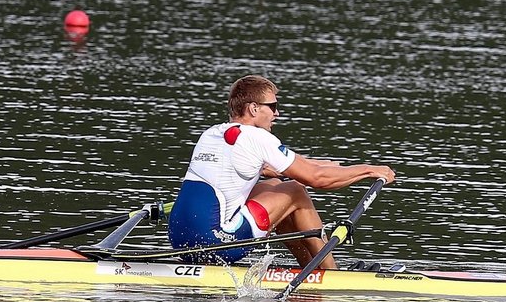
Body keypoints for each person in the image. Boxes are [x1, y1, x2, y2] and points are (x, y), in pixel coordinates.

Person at [168, 75, 396, 269]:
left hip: (181, 242)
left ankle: (311, 268)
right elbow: (316, 179)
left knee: (275, 185)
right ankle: (331, 273)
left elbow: (274, 169)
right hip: (219, 244)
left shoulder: (212, 134)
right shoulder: (257, 137)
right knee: (295, 190)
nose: (277, 114)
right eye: (273, 107)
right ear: (253, 108)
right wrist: (369, 170)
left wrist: (326, 165)